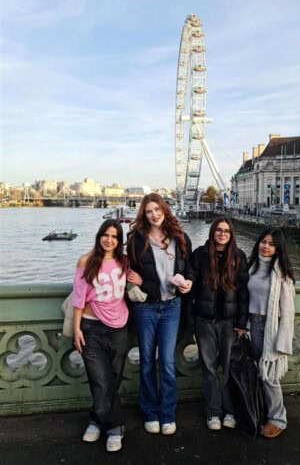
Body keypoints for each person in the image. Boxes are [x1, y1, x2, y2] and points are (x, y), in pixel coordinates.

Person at [126, 193, 194, 435]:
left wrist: (188, 283)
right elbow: (128, 270)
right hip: (145, 306)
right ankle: (149, 412)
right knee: (146, 362)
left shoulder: (180, 237)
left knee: (166, 361)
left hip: (172, 306)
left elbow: (189, 269)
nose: (153, 214)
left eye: (157, 209)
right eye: (148, 211)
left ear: (165, 210)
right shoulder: (136, 239)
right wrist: (139, 279)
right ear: (143, 215)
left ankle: (167, 413)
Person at [72, 219, 129, 452]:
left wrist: (141, 280)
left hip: (119, 328)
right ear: (99, 236)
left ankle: (96, 420)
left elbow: (136, 283)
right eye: (106, 235)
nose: (109, 240)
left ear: (119, 240)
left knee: (112, 379)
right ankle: (114, 427)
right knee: (100, 380)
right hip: (91, 328)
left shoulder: (124, 262)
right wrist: (76, 329)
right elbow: (78, 298)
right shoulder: (86, 261)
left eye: (115, 236)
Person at [188, 217, 249, 431]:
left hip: (228, 322)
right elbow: (191, 287)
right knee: (209, 368)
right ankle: (213, 412)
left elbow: (243, 293)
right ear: (212, 232)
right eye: (219, 230)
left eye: (226, 231)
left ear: (231, 234)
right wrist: (190, 321)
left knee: (227, 368)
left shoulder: (239, 257)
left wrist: (242, 322)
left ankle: (230, 411)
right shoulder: (200, 255)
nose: (222, 234)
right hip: (204, 320)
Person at [247, 228, 295, 438]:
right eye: (263, 242)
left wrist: (282, 341)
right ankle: (261, 411)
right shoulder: (251, 266)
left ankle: (278, 419)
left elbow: (288, 310)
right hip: (251, 325)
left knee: (270, 376)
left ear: (278, 249)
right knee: (255, 373)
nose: (266, 246)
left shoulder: (282, 274)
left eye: (271, 244)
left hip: (270, 327)